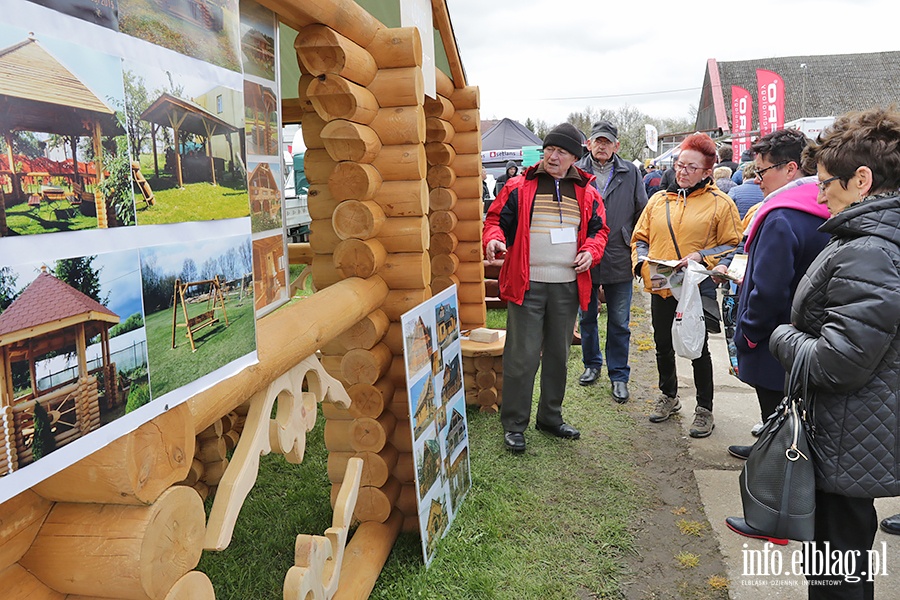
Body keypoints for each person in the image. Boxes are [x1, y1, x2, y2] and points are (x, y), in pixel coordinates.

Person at [768, 107, 900, 597]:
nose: (819, 194)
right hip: (856, 435)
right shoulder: (873, 240)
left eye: (826, 183)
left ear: (861, 180)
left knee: (837, 574)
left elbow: (837, 362)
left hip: (848, 441)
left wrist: (783, 336)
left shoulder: (870, 249)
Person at [483, 123, 609, 453]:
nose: (554, 156)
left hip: (567, 287)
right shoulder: (518, 186)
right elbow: (494, 221)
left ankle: (550, 417)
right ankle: (514, 424)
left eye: (562, 152)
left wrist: (590, 252)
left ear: (574, 158)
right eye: (550, 149)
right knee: (521, 358)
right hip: (527, 285)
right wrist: (494, 240)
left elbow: (599, 232)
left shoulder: (588, 192)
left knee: (558, 356)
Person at [715, 128, 830, 468]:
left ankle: (777, 488)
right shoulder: (821, 207)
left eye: (763, 170)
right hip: (809, 336)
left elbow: (768, 287)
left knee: (782, 415)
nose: (757, 179)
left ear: (791, 168)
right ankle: (770, 444)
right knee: (795, 415)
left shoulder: (783, 216)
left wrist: (749, 332)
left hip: (775, 338)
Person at [631, 133, 742, 438]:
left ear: (708, 172)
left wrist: (702, 258)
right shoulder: (657, 200)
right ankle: (669, 395)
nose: (682, 172)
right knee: (663, 346)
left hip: (695, 287)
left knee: (697, 348)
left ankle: (704, 409)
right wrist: (642, 265)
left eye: (691, 168)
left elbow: (734, 244)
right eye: (680, 165)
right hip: (662, 285)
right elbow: (640, 238)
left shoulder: (722, 204)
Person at [574, 120, 648, 401]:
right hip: (585, 254)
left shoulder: (631, 172)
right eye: (597, 141)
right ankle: (592, 365)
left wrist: (632, 240)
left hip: (619, 252)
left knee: (619, 322)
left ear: (616, 145)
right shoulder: (577, 170)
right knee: (587, 316)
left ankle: (619, 375)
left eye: (607, 142)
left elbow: (642, 209)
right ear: (589, 144)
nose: (602, 146)